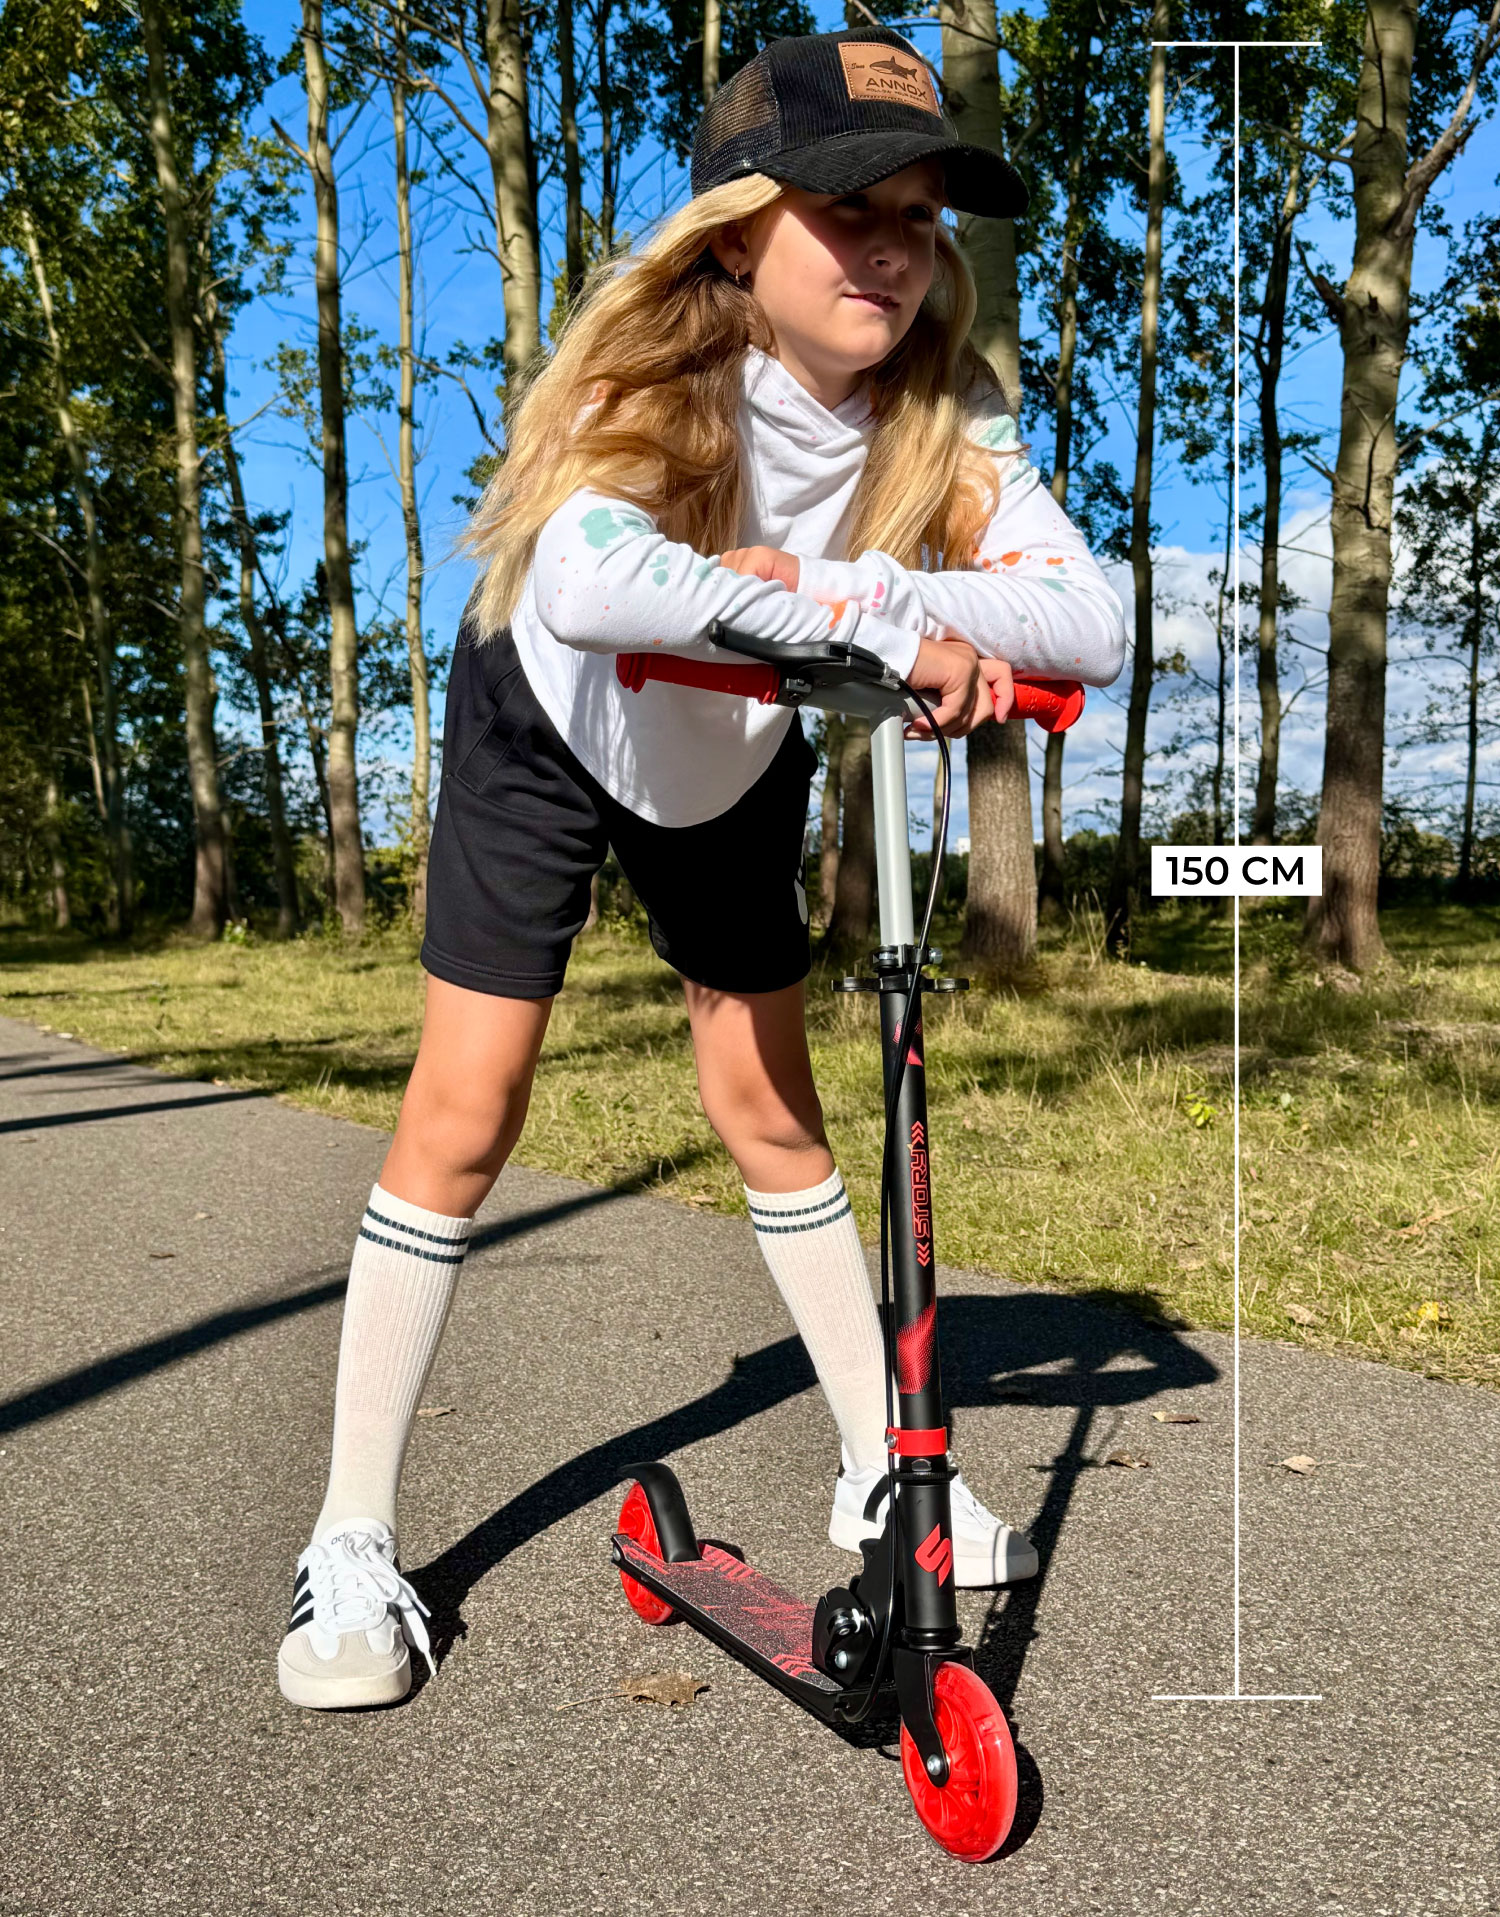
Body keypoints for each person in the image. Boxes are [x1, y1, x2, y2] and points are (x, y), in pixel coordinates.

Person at [277, 25, 1126, 1710]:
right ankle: (349, 1538)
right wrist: (876, 625)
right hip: (549, 709)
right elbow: (590, 580)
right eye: (848, 207)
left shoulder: (941, 410)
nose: (894, 248)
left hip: (735, 738)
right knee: (469, 1103)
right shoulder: (658, 366)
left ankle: (881, 1469)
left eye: (922, 213)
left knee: (768, 1102)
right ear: (740, 232)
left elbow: (1086, 616)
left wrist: (871, 601)